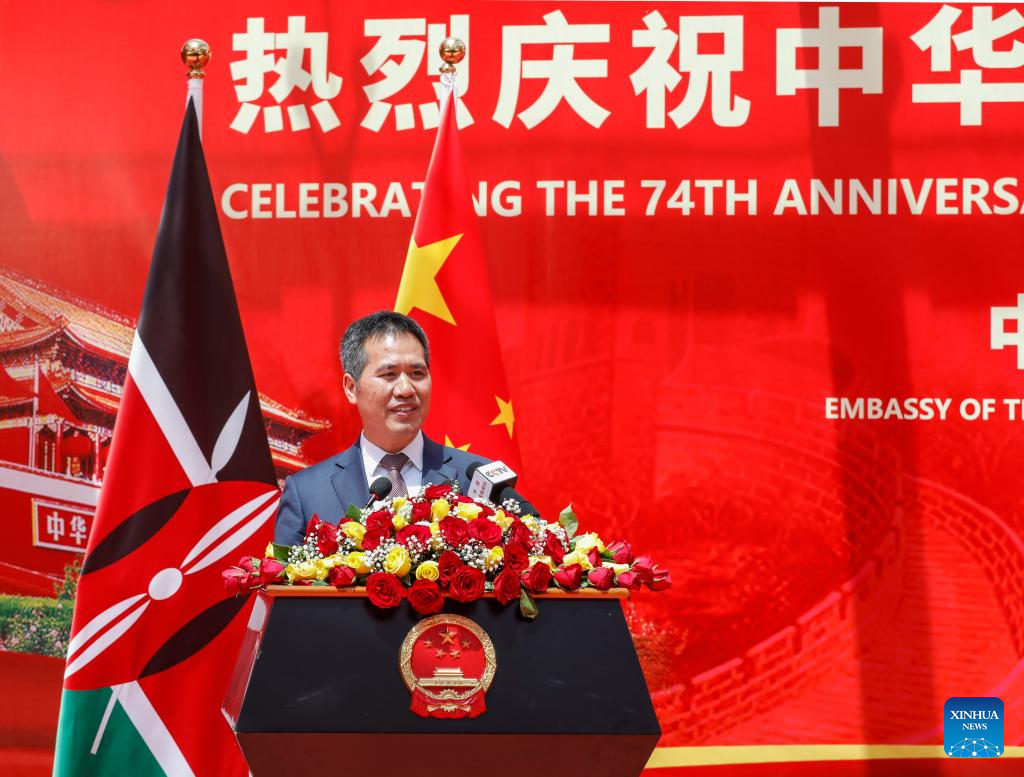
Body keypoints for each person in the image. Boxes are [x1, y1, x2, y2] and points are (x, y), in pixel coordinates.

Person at [273, 311, 482, 546]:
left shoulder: (477, 480)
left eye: (417, 373)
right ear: (351, 388)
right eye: (389, 374)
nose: (406, 389)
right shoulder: (306, 493)